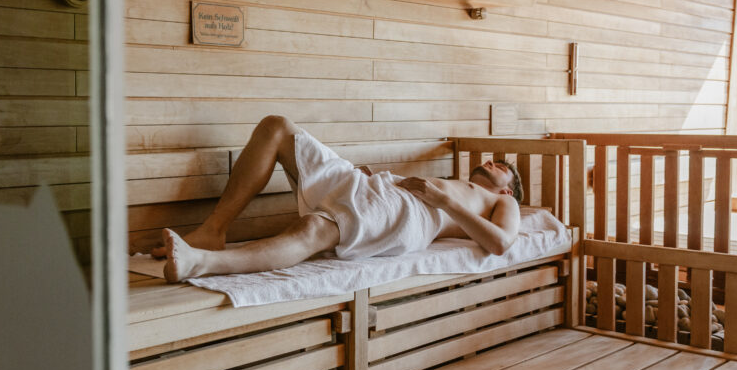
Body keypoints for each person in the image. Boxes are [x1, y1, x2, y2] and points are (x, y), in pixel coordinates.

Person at [152, 116, 523, 282]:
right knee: (276, 128)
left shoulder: (502, 203)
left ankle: (202, 263)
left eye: (501, 166)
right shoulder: (460, 182)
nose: (491, 161)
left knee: (315, 227)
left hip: (413, 213)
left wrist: (443, 201)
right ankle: (212, 230)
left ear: (507, 189)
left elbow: (501, 243)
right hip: (379, 186)